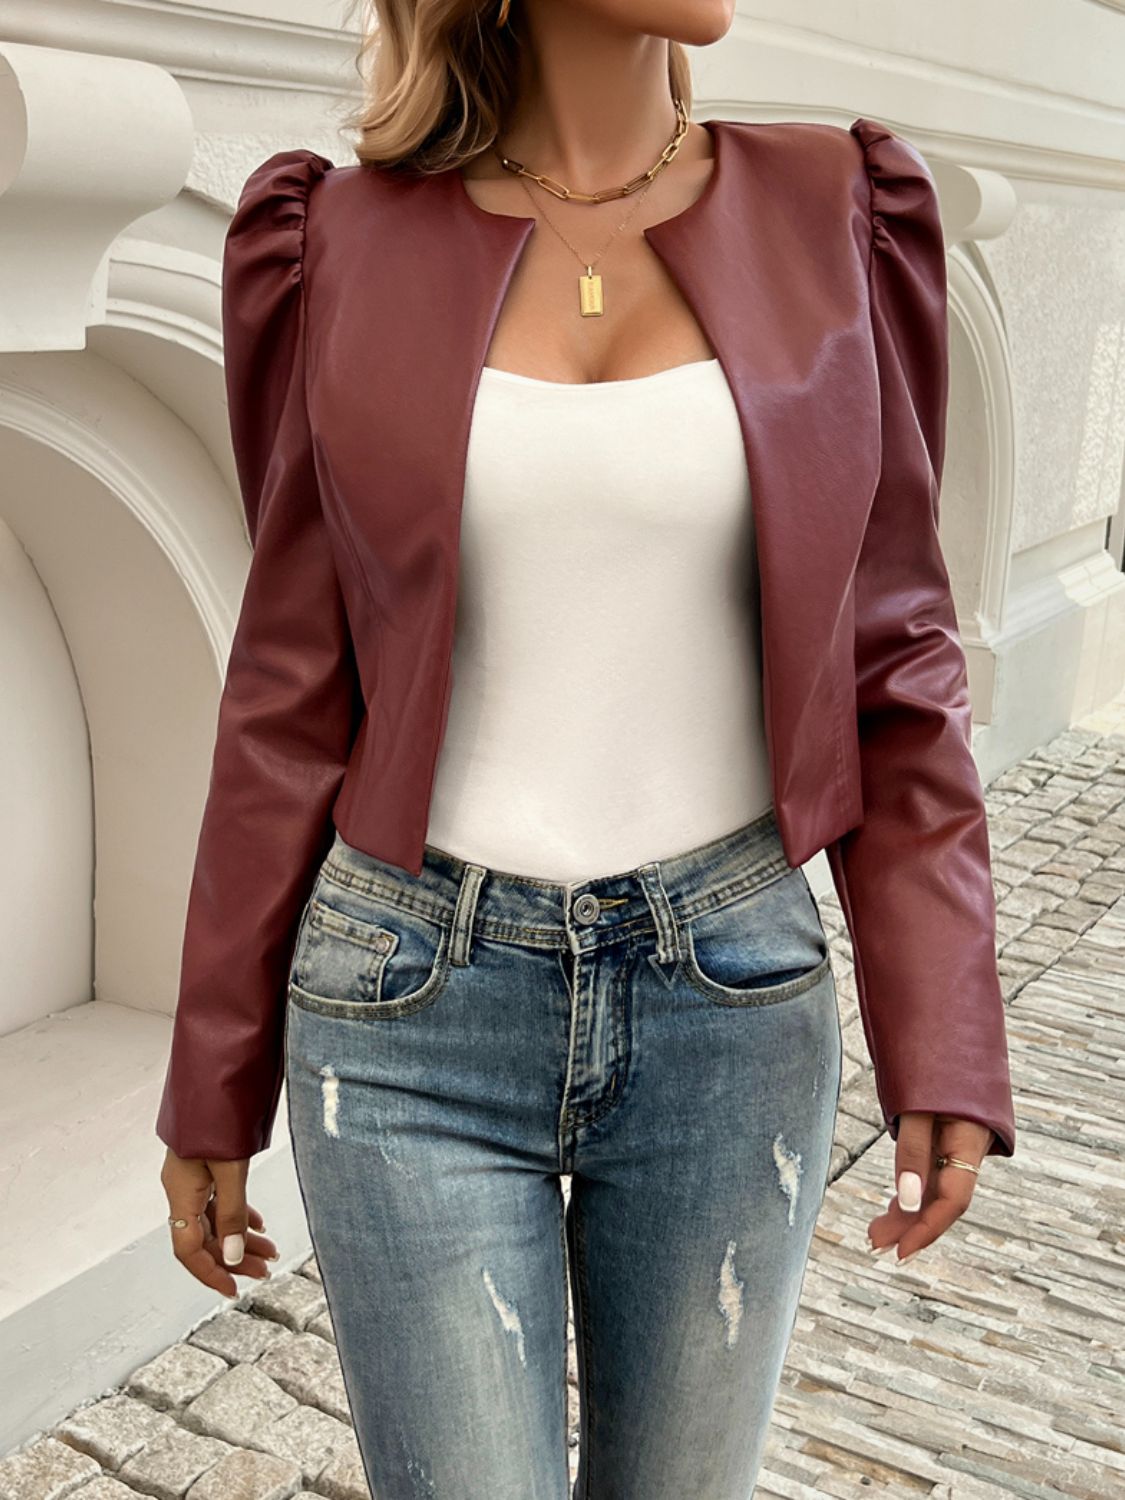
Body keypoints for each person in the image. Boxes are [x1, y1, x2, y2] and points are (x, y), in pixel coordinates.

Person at [157, 2, 1017, 1494]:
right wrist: (214, 1073)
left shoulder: (841, 210)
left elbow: (895, 653)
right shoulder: (333, 241)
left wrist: (940, 1021)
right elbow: (291, 687)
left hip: (730, 1002)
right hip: (404, 1004)